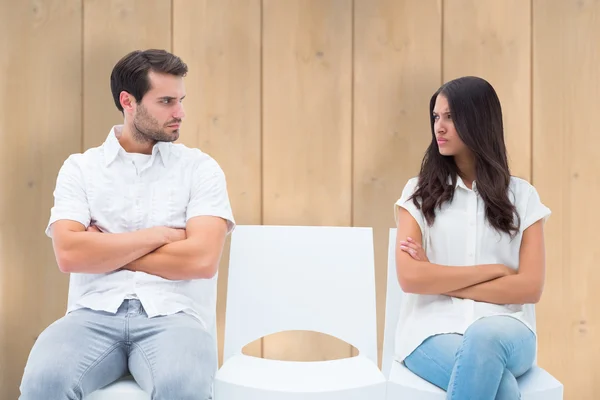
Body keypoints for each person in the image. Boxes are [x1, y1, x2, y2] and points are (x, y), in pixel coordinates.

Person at [19, 49, 235, 399]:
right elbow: (70, 254)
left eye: (181, 100)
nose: (179, 112)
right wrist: (160, 237)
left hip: (174, 317)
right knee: (43, 382)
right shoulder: (81, 169)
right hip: (91, 315)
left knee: (184, 385)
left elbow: (201, 261)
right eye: (166, 101)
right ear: (128, 101)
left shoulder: (200, 169)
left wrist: (107, 248)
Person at [393, 76, 550, 399]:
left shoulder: (523, 197)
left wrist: (437, 276)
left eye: (450, 117)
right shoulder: (418, 193)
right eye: (436, 117)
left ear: (478, 119)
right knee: (502, 388)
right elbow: (410, 278)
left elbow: (529, 287)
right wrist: (494, 271)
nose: (439, 126)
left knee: (484, 337)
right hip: (430, 332)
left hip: (508, 330)